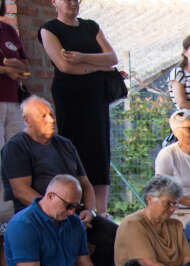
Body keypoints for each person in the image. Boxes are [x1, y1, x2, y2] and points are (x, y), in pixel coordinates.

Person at [2, 96, 118, 266]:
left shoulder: (65, 144)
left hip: (75, 213)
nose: (51, 120)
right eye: (43, 116)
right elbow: (20, 190)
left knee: (112, 234)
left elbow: (86, 184)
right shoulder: (16, 146)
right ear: (27, 119)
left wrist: (89, 211)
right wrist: (61, 211)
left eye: (51, 114)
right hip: (41, 217)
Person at [38, 0, 117, 214]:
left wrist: (82, 58)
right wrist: (99, 66)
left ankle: (101, 212)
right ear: (54, 2)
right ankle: (76, 206)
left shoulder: (91, 26)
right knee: (75, 149)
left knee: (100, 150)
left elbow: (112, 58)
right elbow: (64, 66)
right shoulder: (49, 29)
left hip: (97, 98)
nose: (73, 3)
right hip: (70, 98)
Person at [113, 175, 190, 266]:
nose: (172, 209)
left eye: (175, 203)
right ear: (149, 199)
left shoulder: (175, 225)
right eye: (167, 203)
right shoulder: (133, 224)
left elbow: (188, 258)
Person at [154, 110, 190, 221]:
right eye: (189, 128)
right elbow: (163, 189)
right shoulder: (167, 155)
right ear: (176, 132)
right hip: (177, 212)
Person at [0, 2, 29, 144]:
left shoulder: (8, 30)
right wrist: (6, 70)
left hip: (13, 100)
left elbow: (25, 65)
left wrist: (17, 66)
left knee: (16, 150)